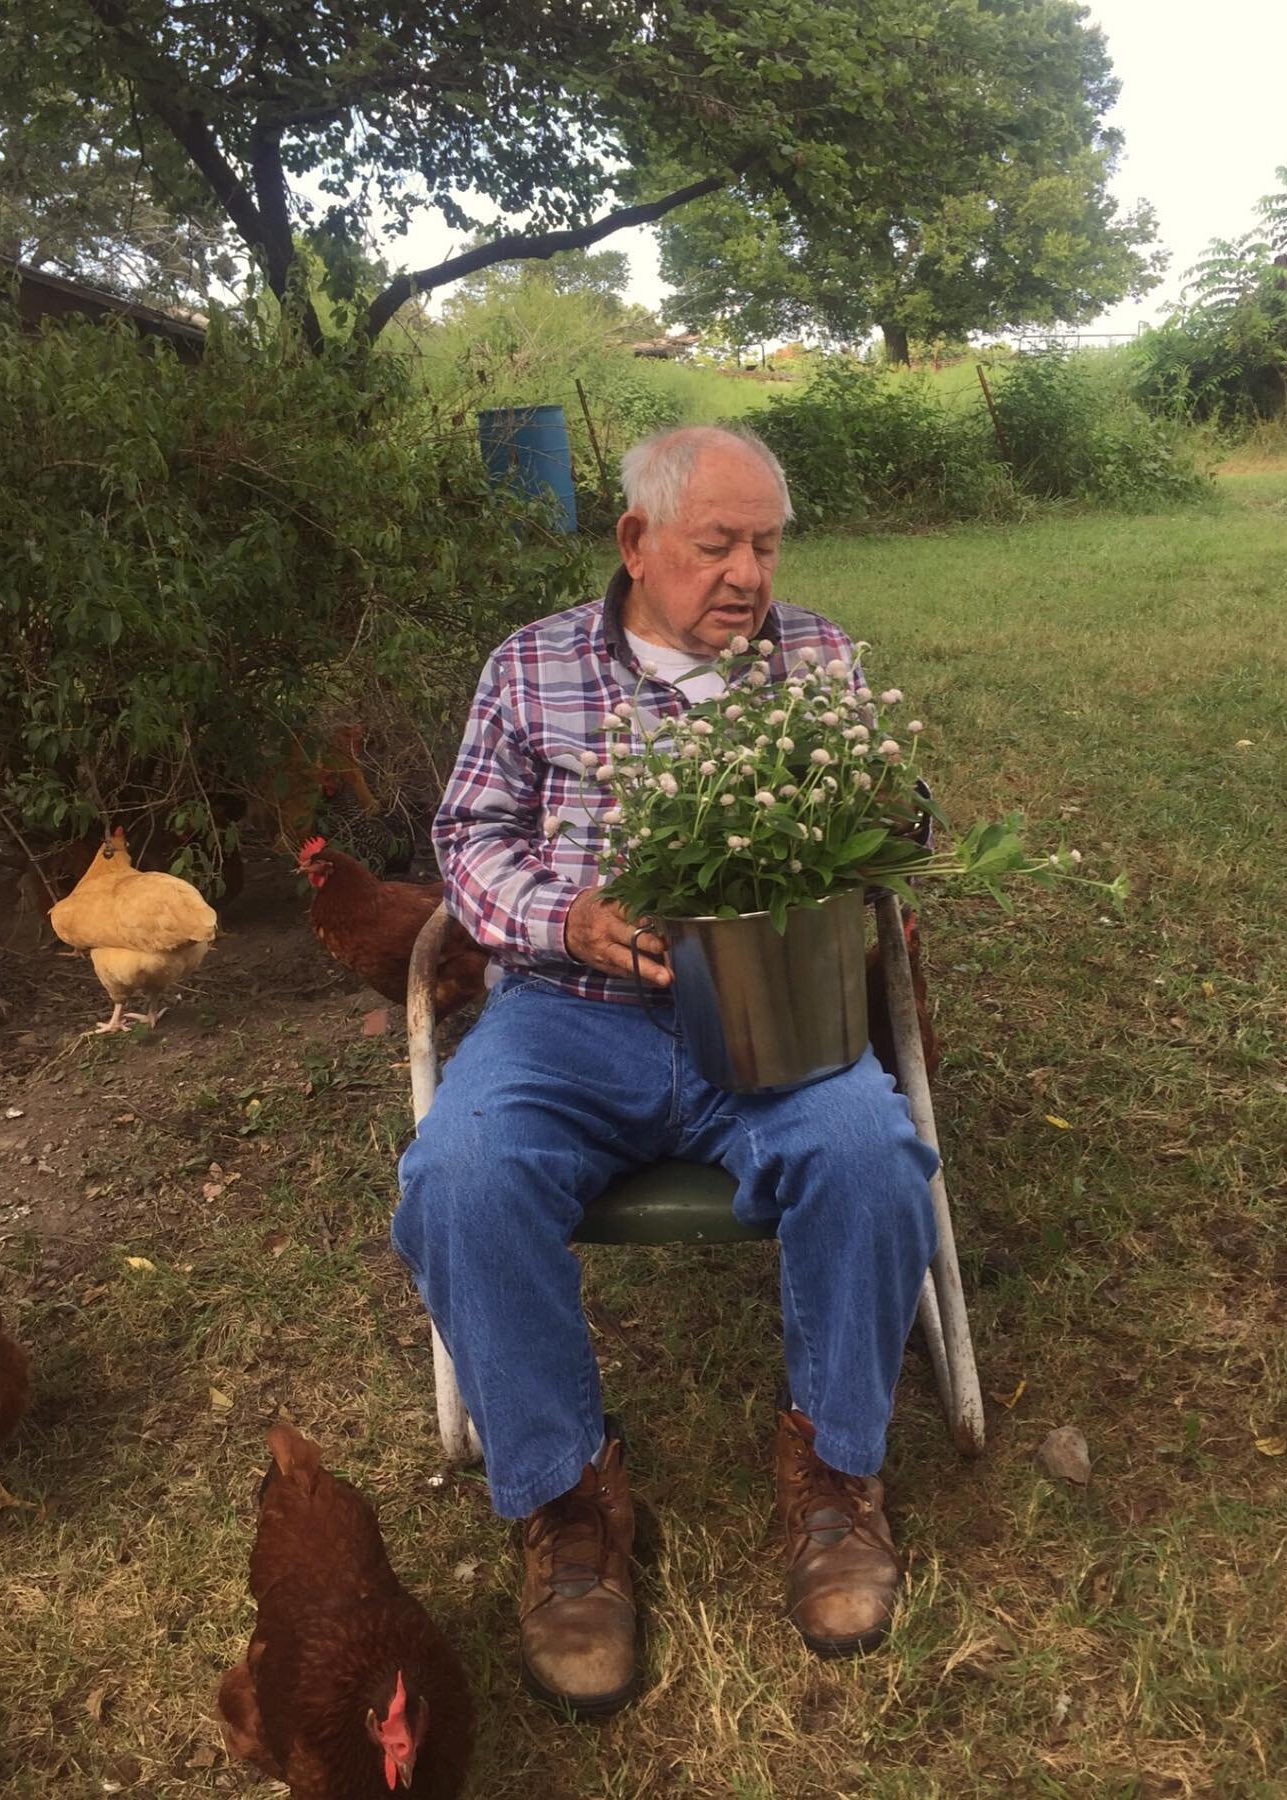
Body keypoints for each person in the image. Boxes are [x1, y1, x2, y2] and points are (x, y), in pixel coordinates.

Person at [393, 424, 938, 1715]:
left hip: (771, 1019)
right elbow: (466, 842)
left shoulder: (818, 658)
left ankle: (832, 1474)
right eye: (720, 545)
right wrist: (567, 917)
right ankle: (570, 1505)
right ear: (637, 543)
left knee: (870, 1149)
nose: (751, 574)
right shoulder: (530, 667)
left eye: (767, 545)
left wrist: (886, 818)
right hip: (567, 1017)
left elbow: (897, 817)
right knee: (460, 1176)